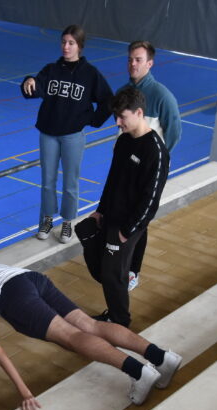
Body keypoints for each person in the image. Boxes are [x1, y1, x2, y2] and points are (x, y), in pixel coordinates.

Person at [0, 261, 181, 405]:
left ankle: (139, 372)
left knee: (72, 337)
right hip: (30, 279)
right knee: (89, 325)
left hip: (13, 298)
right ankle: (161, 357)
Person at [76, 88, 169, 329]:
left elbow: (151, 199)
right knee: (93, 248)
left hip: (128, 223)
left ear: (139, 113)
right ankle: (124, 277)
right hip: (111, 214)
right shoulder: (123, 141)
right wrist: (100, 209)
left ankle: (119, 321)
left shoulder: (156, 152)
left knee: (112, 274)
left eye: (122, 117)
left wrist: (128, 230)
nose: (117, 122)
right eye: (116, 116)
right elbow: (113, 179)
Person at [21, 25, 113, 244]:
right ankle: (46, 219)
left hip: (73, 135)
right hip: (48, 133)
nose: (66, 47)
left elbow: (108, 100)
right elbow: (35, 87)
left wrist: (91, 120)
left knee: (71, 181)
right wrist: (29, 80)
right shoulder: (51, 69)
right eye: (63, 42)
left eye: (71, 43)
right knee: (47, 180)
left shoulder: (90, 74)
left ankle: (67, 223)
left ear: (79, 46)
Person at [118, 40, 181, 292]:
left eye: (138, 60)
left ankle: (132, 270)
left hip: (146, 173)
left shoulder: (162, 96)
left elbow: (174, 132)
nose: (133, 64)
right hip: (125, 167)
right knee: (121, 213)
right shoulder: (124, 92)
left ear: (150, 63)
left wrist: (158, 164)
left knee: (140, 220)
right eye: (130, 59)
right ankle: (118, 261)